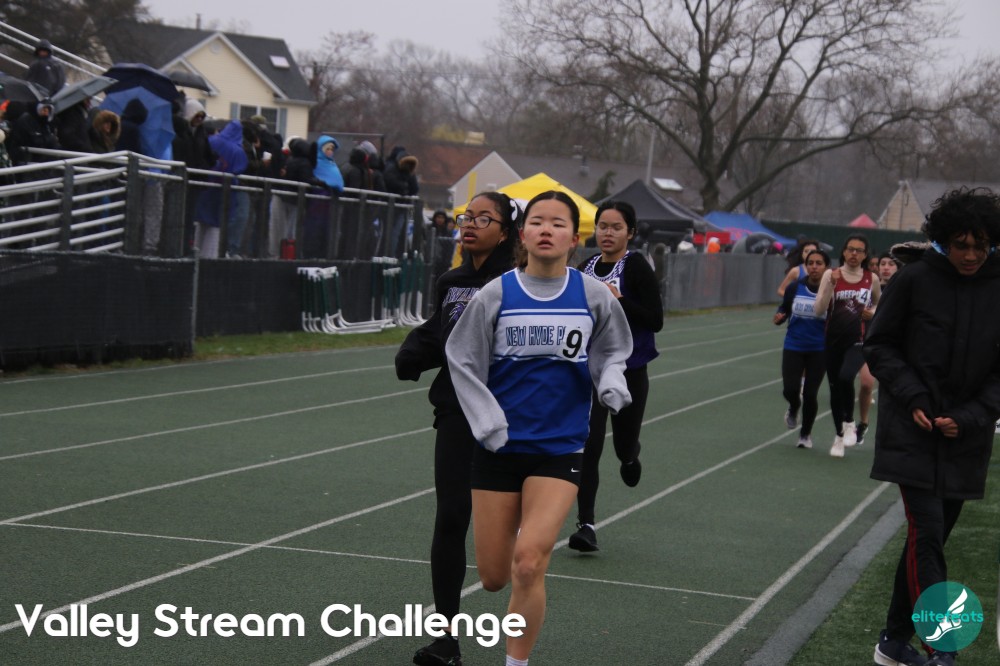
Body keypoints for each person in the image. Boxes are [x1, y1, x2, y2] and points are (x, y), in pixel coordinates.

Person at [445, 190, 633, 665]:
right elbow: (462, 360)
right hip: (499, 448)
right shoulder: (496, 294)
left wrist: (611, 380)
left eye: (558, 223)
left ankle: (516, 662)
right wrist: (487, 422)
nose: (546, 230)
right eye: (537, 222)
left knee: (529, 562)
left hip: (560, 448)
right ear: (523, 234)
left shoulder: (592, 295)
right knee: (494, 576)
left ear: (574, 238)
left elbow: (613, 349)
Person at [866, 187, 1000, 666]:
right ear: (944, 240)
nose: (971, 255)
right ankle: (942, 649)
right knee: (926, 535)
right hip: (912, 433)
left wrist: (969, 417)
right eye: (961, 245)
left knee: (931, 541)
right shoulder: (914, 279)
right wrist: (915, 398)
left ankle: (892, 643)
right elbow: (879, 345)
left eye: (980, 245)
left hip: (966, 439)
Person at [395, 191, 522, 666]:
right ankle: (445, 638)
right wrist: (415, 352)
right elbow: (442, 330)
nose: (470, 224)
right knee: (450, 518)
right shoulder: (451, 281)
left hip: (510, 416)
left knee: (512, 536)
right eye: (467, 216)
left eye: (483, 218)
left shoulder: (519, 283)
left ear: (505, 232)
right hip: (456, 413)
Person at [568, 200, 663, 552]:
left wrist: (618, 299)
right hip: (591, 369)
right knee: (588, 446)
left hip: (628, 369)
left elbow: (655, 319)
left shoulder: (635, 267)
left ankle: (630, 455)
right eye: (603, 226)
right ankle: (586, 525)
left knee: (622, 443)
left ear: (630, 233)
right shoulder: (586, 267)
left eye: (616, 227)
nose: (607, 233)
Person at [813, 234, 880, 457]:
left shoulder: (871, 278)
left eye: (859, 250)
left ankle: (850, 422)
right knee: (835, 388)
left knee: (846, 376)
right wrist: (831, 286)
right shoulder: (831, 275)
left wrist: (873, 312)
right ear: (843, 252)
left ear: (865, 254)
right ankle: (839, 436)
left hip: (858, 339)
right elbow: (818, 310)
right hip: (833, 339)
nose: (854, 254)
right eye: (850, 249)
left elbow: (879, 303)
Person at [773, 249, 830, 449]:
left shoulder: (831, 291)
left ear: (826, 267)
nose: (814, 267)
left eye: (819, 263)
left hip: (819, 348)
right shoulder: (795, 287)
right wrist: (779, 317)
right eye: (810, 263)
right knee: (790, 389)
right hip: (794, 345)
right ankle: (794, 406)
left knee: (811, 394)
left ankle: (805, 434)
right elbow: (784, 308)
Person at [855, 251, 904, 445]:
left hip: (895, 347)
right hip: (869, 343)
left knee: (893, 392)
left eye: (891, 264)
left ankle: (892, 434)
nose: (886, 267)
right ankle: (863, 422)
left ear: (898, 268)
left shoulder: (904, 289)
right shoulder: (869, 287)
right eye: (883, 263)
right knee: (867, 384)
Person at [193, 119, 248, 258]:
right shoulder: (238, 151)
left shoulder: (211, 140)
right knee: (217, 224)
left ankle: (196, 252)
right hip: (225, 191)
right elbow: (238, 170)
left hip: (206, 186)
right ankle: (209, 257)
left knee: (202, 221)